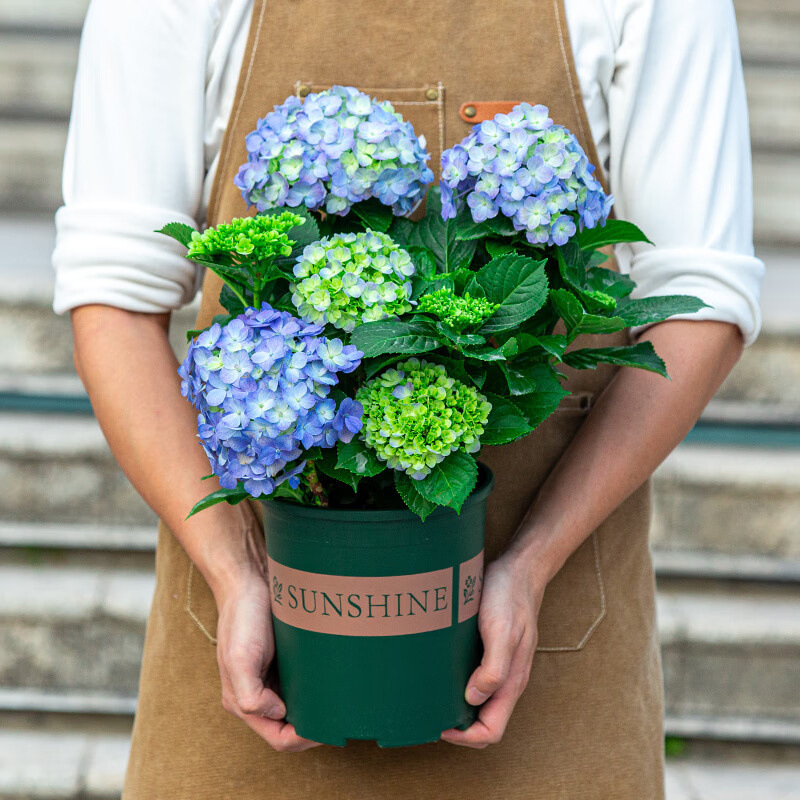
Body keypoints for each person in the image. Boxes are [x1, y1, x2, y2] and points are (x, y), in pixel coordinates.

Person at [52, 0, 763, 797]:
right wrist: (235, 569)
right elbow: (112, 297)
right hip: (255, 651)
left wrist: (528, 568)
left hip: (553, 663)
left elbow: (700, 297)